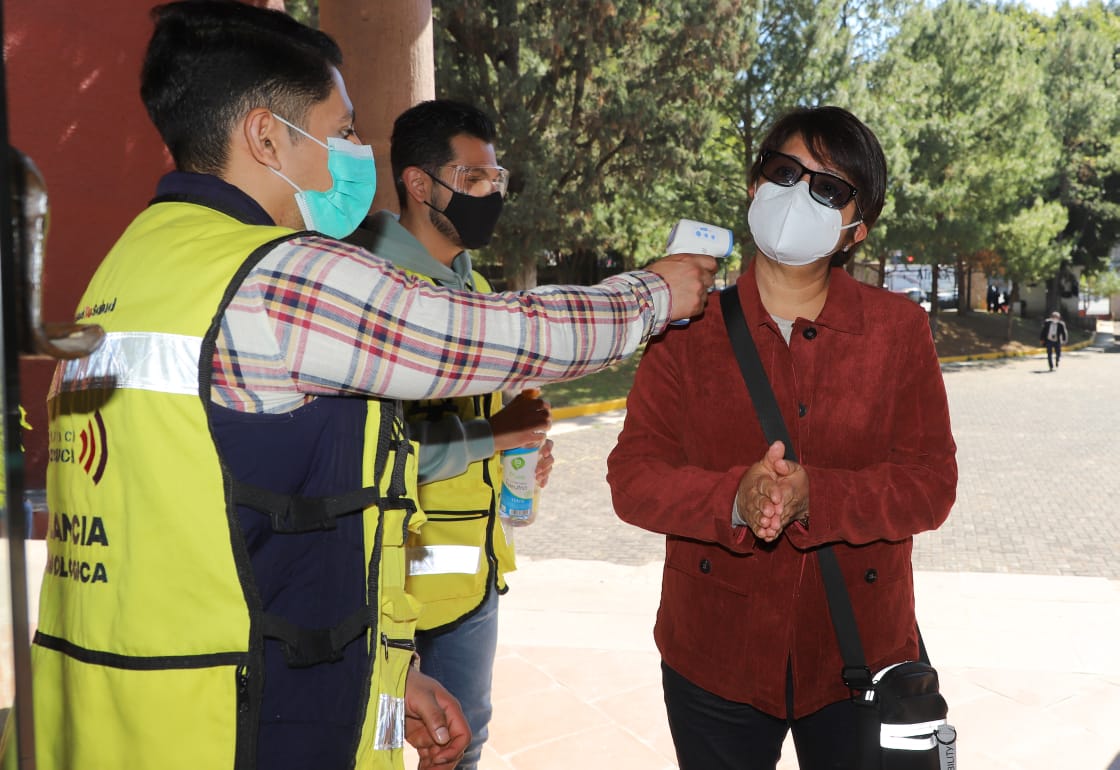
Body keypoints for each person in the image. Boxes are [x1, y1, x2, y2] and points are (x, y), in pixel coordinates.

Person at [27, 3, 716, 770]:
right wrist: (652, 294)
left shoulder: (130, 268)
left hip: (120, 715)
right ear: (265, 136)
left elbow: (217, 531)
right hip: (239, 728)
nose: (359, 154)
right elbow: (492, 338)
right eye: (345, 130)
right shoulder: (277, 276)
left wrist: (395, 674)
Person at [607, 106, 958, 770]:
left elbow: (930, 487)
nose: (800, 194)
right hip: (714, 655)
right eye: (785, 170)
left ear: (857, 229)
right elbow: (634, 478)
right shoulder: (685, 325)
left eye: (829, 188)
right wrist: (731, 501)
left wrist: (816, 497)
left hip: (858, 656)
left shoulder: (898, 331)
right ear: (754, 184)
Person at [347, 99, 553, 770]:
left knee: (462, 747)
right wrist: (493, 437)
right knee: (373, 746)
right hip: (386, 580)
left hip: (471, 584)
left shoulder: (478, 290)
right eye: (474, 179)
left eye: (496, 178)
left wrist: (517, 455)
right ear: (417, 183)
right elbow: (373, 454)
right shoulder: (372, 287)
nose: (491, 193)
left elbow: (487, 433)